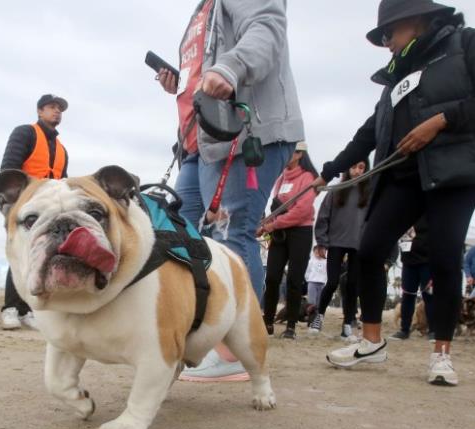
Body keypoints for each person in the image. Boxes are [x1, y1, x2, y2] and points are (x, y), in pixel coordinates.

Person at [313, 0, 475, 386]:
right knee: (369, 250)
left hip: (452, 172)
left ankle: (441, 353)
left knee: (444, 256)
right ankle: (371, 342)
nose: (385, 42)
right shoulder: (394, 77)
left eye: (389, 33)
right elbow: (370, 132)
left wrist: (441, 120)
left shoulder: (465, 44)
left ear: (416, 21)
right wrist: (329, 170)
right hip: (403, 177)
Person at [157, 0, 304, 379]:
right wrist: (180, 81)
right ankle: (188, 336)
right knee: (177, 236)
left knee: (231, 234)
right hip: (197, 142)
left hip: (242, 130)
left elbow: (267, 28)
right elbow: (200, 72)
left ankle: (235, 350)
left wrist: (230, 67)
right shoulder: (199, 11)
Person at [0, 94, 69, 329]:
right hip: (22, 205)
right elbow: (9, 168)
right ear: (39, 111)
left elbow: (63, 182)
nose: (57, 111)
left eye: (60, 109)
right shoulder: (25, 133)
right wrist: (13, 205)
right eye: (51, 107)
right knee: (21, 253)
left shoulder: (62, 149)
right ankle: (10, 309)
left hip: (49, 210)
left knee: (42, 255)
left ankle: (26, 309)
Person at [258, 144, 318, 339]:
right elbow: (275, 207)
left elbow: (302, 211)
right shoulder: (281, 177)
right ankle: (267, 321)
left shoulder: (307, 178)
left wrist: (273, 225)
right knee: (272, 276)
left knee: (294, 279)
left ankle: (291, 325)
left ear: (299, 154)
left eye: (290, 150)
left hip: (300, 232)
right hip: (279, 233)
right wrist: (265, 224)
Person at [309, 160, 370, 339]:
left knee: (352, 285)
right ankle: (319, 316)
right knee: (332, 281)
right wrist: (321, 242)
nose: (357, 171)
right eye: (353, 166)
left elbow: (372, 219)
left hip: (358, 245)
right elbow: (323, 216)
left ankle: (347, 324)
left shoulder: (369, 192)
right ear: (347, 168)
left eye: (361, 167)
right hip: (336, 242)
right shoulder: (336, 190)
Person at [389, 218, 435, 340]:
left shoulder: (431, 212)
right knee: (407, 296)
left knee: (429, 296)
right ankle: (404, 330)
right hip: (408, 262)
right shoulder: (407, 213)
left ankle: (434, 330)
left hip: (427, 262)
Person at [305, 245, 327, 318]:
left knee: (319, 302)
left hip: (322, 284)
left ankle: (318, 318)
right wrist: (309, 279)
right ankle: (310, 318)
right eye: (316, 251)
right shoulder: (311, 261)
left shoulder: (326, 262)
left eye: (320, 251)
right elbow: (307, 272)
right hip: (312, 283)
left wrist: (325, 281)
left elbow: (327, 273)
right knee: (312, 302)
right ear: (313, 252)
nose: (318, 253)